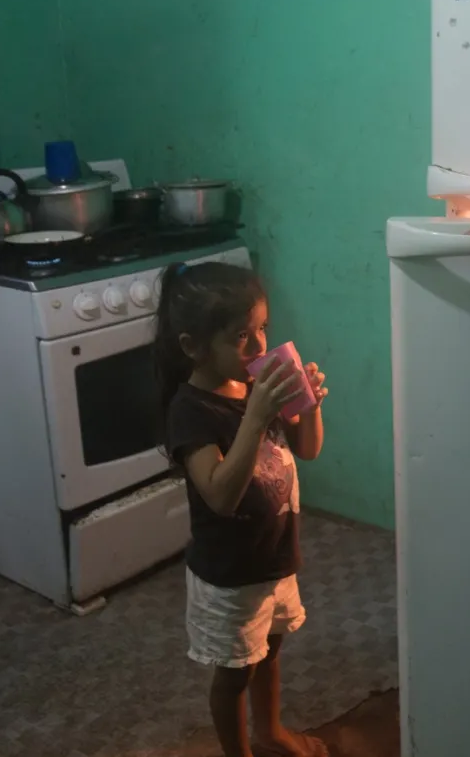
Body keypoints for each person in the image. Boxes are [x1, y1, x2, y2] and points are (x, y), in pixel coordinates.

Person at [155, 261, 330, 757]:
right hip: (228, 576)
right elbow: (219, 494)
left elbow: (308, 449)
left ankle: (270, 731)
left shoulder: (255, 385)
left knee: (270, 653)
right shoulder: (191, 410)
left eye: (262, 330)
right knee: (234, 674)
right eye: (241, 337)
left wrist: (309, 406)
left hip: (274, 559)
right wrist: (254, 418)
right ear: (194, 347)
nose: (259, 348)